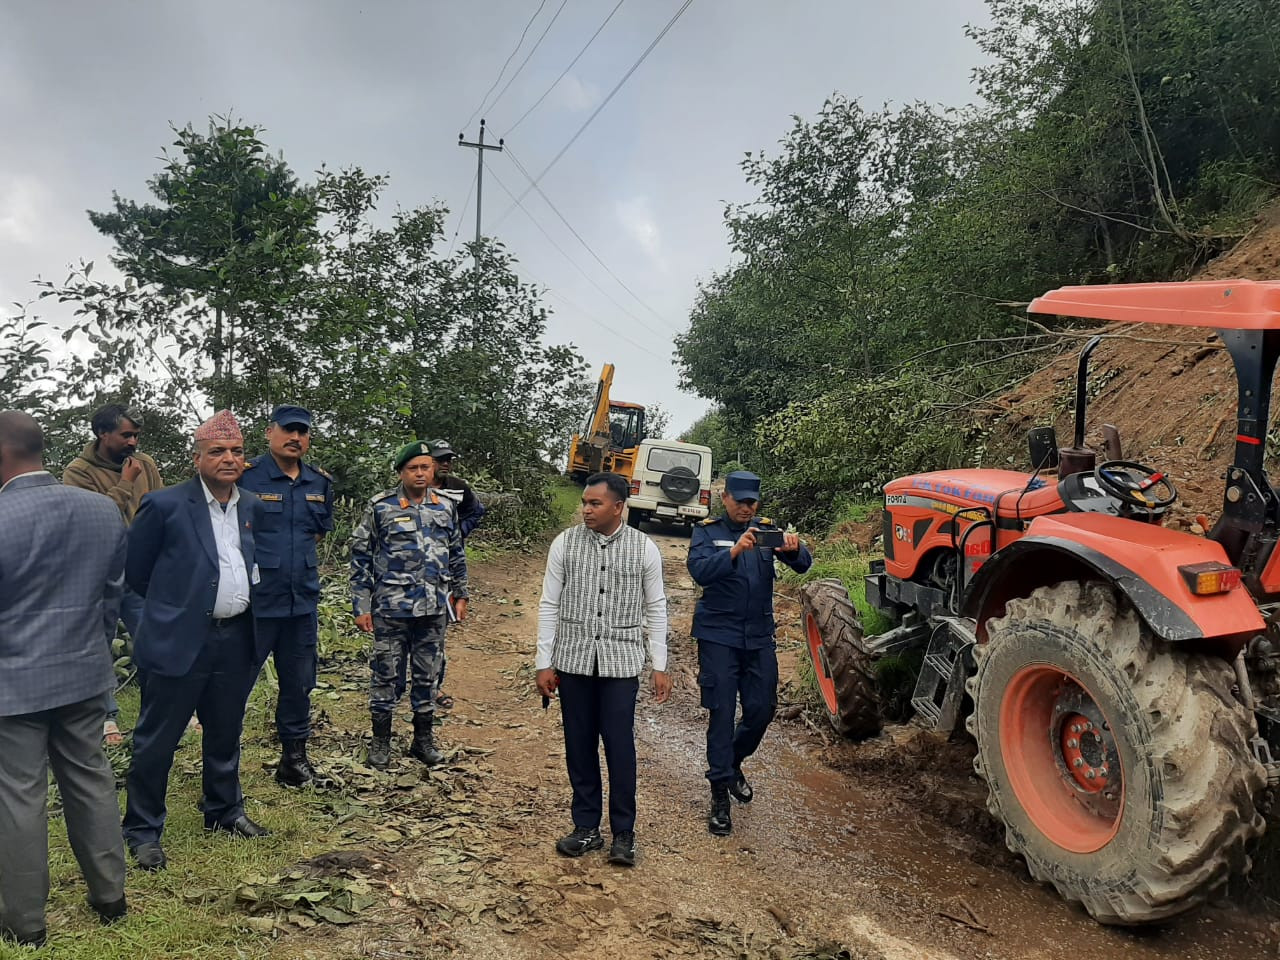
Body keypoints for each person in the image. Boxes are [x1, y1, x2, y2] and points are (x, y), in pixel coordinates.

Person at [0, 411, 129, 947]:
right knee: (91, 779)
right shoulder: (101, 511)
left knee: (18, 797)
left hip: (12, 684)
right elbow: (111, 599)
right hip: (83, 672)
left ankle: (25, 923)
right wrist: (92, 655)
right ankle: (110, 897)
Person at [122, 410, 269, 872]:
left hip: (236, 639)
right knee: (156, 740)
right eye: (218, 452)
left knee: (225, 733)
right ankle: (143, 830)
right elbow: (135, 579)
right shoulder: (165, 506)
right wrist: (154, 629)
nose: (229, 459)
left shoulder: (252, 506)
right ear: (197, 458)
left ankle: (224, 811)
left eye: (237, 451)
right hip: (178, 642)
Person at [535, 472, 671, 867]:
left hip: (621, 662)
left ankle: (624, 832)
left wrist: (658, 664)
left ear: (618, 506)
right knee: (579, 743)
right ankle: (586, 827)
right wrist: (544, 661)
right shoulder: (565, 543)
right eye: (584, 502)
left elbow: (656, 607)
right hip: (574, 659)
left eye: (595, 503)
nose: (586, 509)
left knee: (619, 744)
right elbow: (549, 604)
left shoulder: (643, 549)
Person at [687, 470, 811, 837]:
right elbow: (699, 572)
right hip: (718, 636)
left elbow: (804, 565)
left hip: (758, 637)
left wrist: (794, 548)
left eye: (752, 502)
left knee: (761, 710)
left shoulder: (766, 531)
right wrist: (736, 551)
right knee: (722, 713)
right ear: (724, 498)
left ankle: (733, 762)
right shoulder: (707, 532)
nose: (746, 507)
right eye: (740, 500)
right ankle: (719, 798)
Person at [351, 441, 468, 771]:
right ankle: (381, 743)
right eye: (413, 468)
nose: (420, 473)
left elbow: (456, 554)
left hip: (433, 608)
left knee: (428, 675)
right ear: (401, 472)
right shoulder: (381, 507)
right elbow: (360, 558)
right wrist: (361, 605)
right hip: (391, 608)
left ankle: (422, 740)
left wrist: (461, 594)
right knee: (386, 674)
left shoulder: (445, 507)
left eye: (425, 467)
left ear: (433, 471)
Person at [238, 405, 334, 786]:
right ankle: (223, 767)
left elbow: (317, 533)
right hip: (256, 604)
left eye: (303, 432)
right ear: (269, 432)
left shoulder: (319, 482)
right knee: (236, 684)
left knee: (299, 683)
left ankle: (294, 761)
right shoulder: (245, 477)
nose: (296, 438)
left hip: (301, 604)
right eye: (288, 430)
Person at [62, 403, 164, 744]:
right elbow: (92, 522)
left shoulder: (145, 463)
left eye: (136, 435)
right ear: (103, 434)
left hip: (142, 570)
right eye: (126, 435)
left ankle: (162, 709)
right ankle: (106, 718)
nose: (133, 442)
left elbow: (162, 509)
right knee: (99, 645)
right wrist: (124, 483)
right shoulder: (78, 472)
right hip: (99, 573)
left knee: (152, 638)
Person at [426, 438, 486, 711]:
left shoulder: (459, 488)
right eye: (441, 459)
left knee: (437, 632)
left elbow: (477, 511)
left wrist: (461, 531)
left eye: (449, 458)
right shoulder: (417, 484)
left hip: (446, 569)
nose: (446, 463)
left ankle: (433, 688)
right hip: (411, 573)